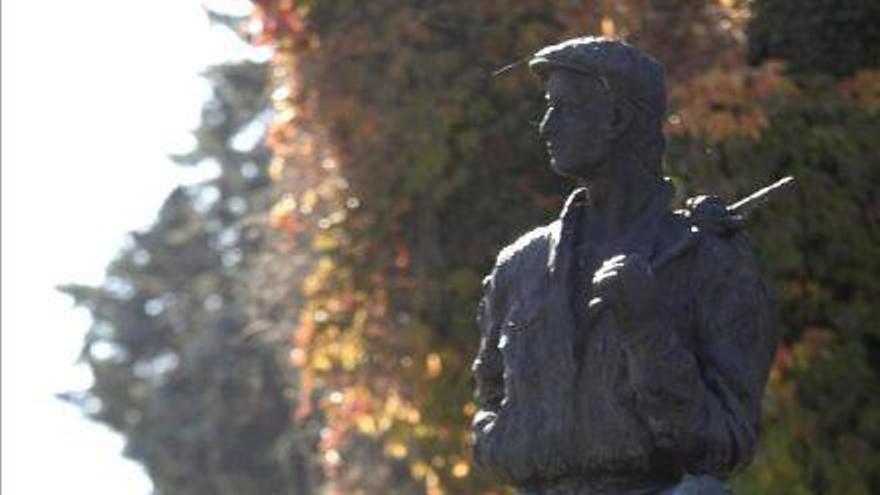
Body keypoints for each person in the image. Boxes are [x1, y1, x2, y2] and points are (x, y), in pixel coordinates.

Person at [471, 37, 776, 495]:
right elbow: (489, 400)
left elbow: (727, 443)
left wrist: (649, 332)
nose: (546, 127)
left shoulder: (707, 258)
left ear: (616, 119)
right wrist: (514, 444)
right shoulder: (521, 267)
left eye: (565, 108)